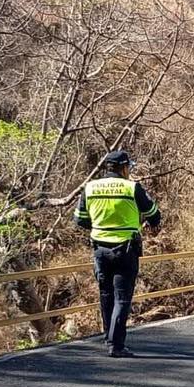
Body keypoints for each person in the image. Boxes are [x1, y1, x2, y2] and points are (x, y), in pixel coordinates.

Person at [74, 149, 162, 358]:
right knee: (122, 297)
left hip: (100, 249)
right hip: (126, 249)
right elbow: (154, 215)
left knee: (106, 294)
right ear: (123, 168)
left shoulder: (90, 188)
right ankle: (116, 345)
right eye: (128, 167)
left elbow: (80, 219)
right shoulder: (132, 188)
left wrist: (100, 225)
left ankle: (108, 337)